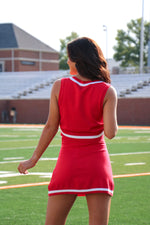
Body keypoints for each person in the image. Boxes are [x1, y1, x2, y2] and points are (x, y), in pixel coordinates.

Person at [18, 37, 118, 225]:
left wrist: (33, 160)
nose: (67, 61)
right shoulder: (108, 91)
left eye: (69, 58)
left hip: (68, 163)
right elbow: (111, 133)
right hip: (97, 164)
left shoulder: (59, 86)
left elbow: (50, 127)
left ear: (77, 60)